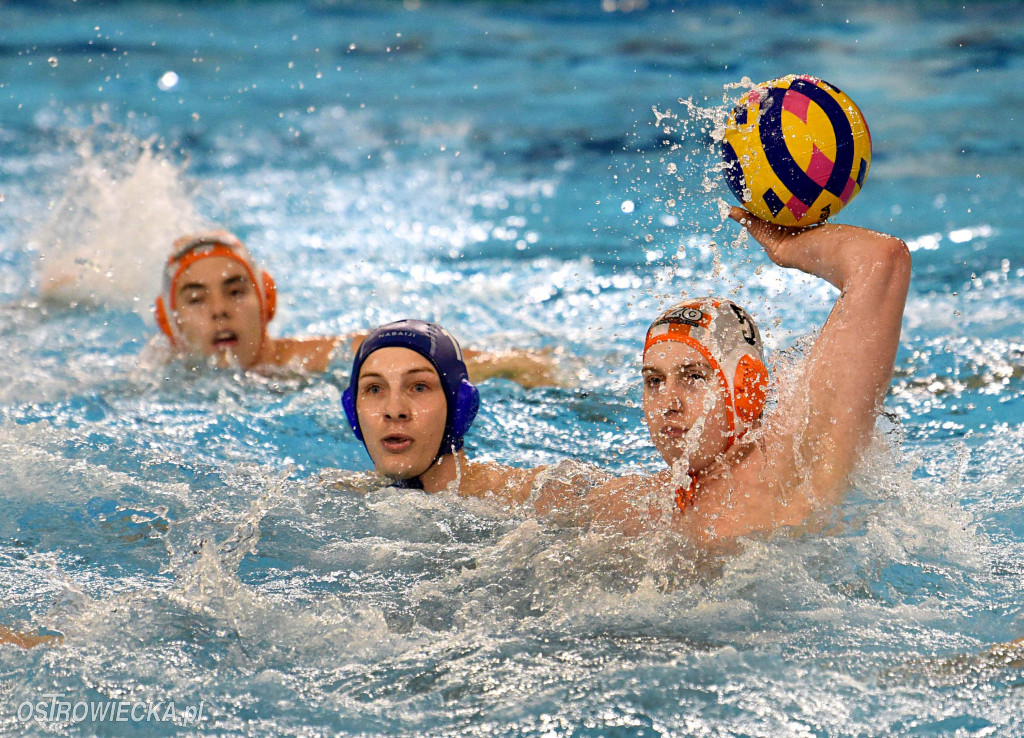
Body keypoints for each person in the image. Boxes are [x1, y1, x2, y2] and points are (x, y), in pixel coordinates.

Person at [580, 206, 912, 542]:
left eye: (693, 377)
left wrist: (788, 248)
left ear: (745, 388)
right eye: (654, 381)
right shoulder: (633, 503)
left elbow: (881, 259)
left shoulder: (791, 472)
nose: (669, 403)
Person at [151, 229, 561, 387]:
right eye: (196, 298)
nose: (219, 310)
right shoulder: (154, 382)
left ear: (266, 301)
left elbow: (424, 355)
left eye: (236, 291)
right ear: (170, 324)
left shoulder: (314, 361)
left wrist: (515, 365)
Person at [341, 319, 546, 500]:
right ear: (353, 413)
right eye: (374, 389)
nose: (394, 410)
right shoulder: (338, 498)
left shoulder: (532, 496)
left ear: (460, 407)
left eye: (419, 387)